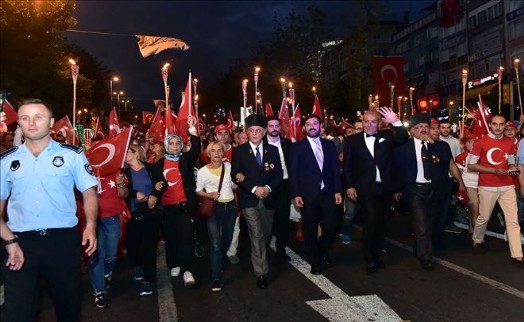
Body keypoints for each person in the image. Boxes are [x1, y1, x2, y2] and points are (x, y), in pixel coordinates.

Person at [0, 98, 98, 321]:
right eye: (25, 117)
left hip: (62, 243)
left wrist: (91, 225)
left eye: (38, 117)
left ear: (51, 122)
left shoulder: (72, 154)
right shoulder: (6, 161)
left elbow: (89, 191)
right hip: (20, 244)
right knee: (17, 312)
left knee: (68, 307)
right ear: (19, 124)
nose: (31, 122)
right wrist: (10, 240)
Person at [342, 108, 408, 273]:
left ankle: (377, 254)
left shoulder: (387, 136)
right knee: (370, 222)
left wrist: (396, 122)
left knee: (382, 223)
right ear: (362, 122)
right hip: (365, 189)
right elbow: (348, 166)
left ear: (379, 123)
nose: (369, 124)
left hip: (385, 188)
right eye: (366, 121)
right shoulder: (352, 140)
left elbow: (403, 138)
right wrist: (349, 186)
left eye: (373, 121)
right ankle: (370, 258)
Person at [231, 114, 283, 289]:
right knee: (257, 234)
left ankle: (261, 253)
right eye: (251, 130)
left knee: (266, 234)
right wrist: (254, 188)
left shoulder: (273, 150)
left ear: (264, 132)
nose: (254, 133)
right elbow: (235, 174)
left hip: (268, 199)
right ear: (247, 132)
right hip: (249, 199)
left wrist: (267, 188)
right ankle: (261, 272)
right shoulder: (239, 151)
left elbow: (278, 174)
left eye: (258, 130)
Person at [290, 114, 343, 275]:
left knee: (332, 226)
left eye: (315, 123)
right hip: (308, 195)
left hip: (328, 193)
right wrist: (296, 194)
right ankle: (316, 260)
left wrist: (338, 190)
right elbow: (294, 172)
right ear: (304, 127)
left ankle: (320, 250)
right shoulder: (298, 147)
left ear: (321, 126)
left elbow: (335, 169)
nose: (312, 126)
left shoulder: (329, 145)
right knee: (311, 230)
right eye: (308, 124)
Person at [468, 114, 523, 267]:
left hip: (507, 186)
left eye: (501, 124)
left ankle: (517, 255)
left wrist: (513, 169)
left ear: (505, 125)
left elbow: (511, 162)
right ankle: (477, 239)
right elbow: (471, 166)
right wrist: (493, 170)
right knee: (484, 217)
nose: (498, 127)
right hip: (487, 186)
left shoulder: (510, 142)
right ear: (490, 125)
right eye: (495, 124)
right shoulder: (480, 142)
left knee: (512, 220)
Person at [151, 128, 201, 284]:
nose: (174, 146)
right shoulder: (158, 165)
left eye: (177, 143)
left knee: (186, 238)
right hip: (168, 207)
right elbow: (157, 186)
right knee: (171, 237)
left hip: (185, 206)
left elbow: (196, 148)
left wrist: (192, 131)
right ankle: (174, 263)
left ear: (181, 145)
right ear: (166, 145)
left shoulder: (186, 159)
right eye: (171, 143)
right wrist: (157, 187)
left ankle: (188, 270)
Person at [395, 113, 441, 270]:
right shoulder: (403, 149)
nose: (423, 129)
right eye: (419, 127)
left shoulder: (436, 145)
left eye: (425, 127)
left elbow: (446, 159)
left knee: (430, 222)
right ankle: (425, 256)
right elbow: (398, 171)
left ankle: (420, 246)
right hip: (416, 189)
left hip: (432, 189)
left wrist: (433, 144)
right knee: (421, 223)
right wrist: (397, 189)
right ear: (412, 131)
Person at [196, 141, 237, 292]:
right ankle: (216, 277)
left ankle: (217, 259)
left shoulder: (230, 167)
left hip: (230, 207)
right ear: (208, 153)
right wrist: (209, 194)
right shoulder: (202, 171)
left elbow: (233, 185)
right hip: (213, 209)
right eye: (213, 151)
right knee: (215, 243)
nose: (217, 153)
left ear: (223, 152)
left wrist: (237, 182)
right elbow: (198, 190)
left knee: (227, 239)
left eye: (220, 150)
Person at [124, 143, 163, 296]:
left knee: (149, 245)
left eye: (128, 151)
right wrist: (135, 193)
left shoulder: (150, 168)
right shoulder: (123, 173)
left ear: (136, 153)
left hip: (150, 213)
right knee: (133, 245)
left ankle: (148, 279)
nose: (125, 154)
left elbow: (161, 185)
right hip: (132, 214)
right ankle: (136, 264)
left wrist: (154, 195)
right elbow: (122, 191)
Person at [88, 170, 129, 307]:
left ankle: (106, 274)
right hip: (92, 220)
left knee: (111, 254)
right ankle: (99, 291)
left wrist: (121, 185)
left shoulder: (116, 169)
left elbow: (124, 194)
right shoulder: (84, 167)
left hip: (112, 218)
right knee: (97, 254)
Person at [428, 119, 466, 248]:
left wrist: (460, 182)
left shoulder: (444, 145)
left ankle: (437, 240)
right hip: (427, 187)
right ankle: (424, 243)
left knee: (442, 214)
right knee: (429, 216)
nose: (436, 131)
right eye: (433, 128)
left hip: (444, 185)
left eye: (437, 128)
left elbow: (451, 164)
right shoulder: (422, 145)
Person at [266, 115, 293, 260]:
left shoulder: (287, 143)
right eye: (271, 126)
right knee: (268, 219)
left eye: (277, 126)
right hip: (267, 186)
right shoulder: (261, 144)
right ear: (266, 128)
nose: (274, 129)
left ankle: (281, 249)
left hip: (284, 185)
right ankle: (264, 248)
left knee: (283, 218)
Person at [455, 135, 480, 234]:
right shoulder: (461, 157)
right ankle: (478, 237)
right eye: (467, 142)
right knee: (475, 208)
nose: (468, 144)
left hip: (482, 185)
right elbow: (458, 174)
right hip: (469, 185)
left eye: (471, 141)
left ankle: (471, 230)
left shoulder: (483, 155)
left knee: (475, 211)